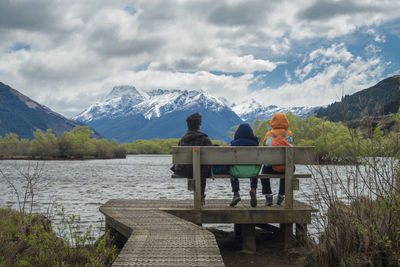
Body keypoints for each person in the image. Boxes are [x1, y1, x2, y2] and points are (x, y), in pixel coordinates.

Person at [171, 112, 212, 205]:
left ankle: (197, 193)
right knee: (201, 169)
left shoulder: (182, 139)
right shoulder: (204, 138)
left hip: (183, 170)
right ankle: (201, 195)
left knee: (195, 169)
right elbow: (211, 152)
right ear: (199, 125)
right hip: (201, 171)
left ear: (188, 125)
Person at [261, 113, 294, 206]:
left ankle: (268, 195)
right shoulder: (289, 134)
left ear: (273, 122)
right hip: (287, 167)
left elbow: (264, 147)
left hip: (271, 167)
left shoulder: (269, 134)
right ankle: (281, 195)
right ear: (286, 122)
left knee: (263, 172)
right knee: (287, 169)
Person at [228, 123, 260, 207]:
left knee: (231, 168)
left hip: (236, 171)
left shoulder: (234, 144)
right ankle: (253, 189)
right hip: (253, 171)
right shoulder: (255, 143)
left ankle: (236, 193)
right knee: (254, 166)